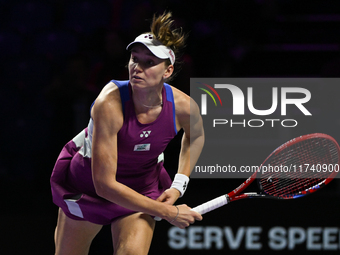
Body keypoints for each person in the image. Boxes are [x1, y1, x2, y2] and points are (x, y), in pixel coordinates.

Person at [50, 11, 204, 255]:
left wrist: (178, 185)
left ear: (167, 71)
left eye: (149, 62)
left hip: (141, 188)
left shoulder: (184, 107)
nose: (137, 68)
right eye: (135, 59)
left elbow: (196, 137)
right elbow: (105, 185)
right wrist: (169, 212)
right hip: (89, 187)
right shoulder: (109, 104)